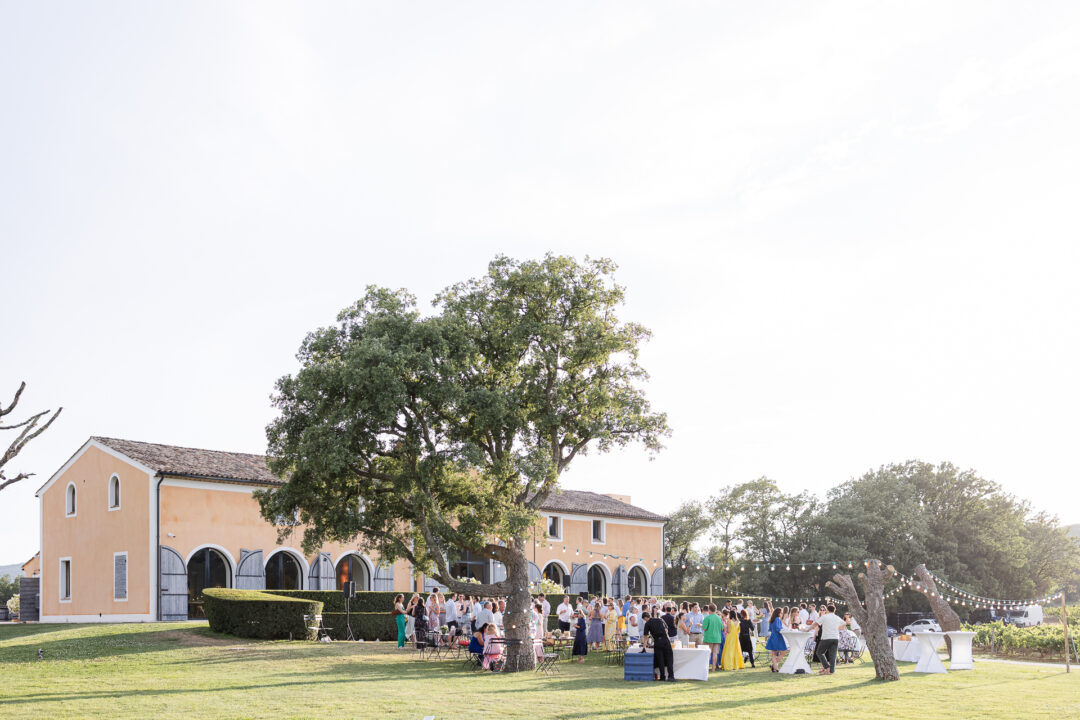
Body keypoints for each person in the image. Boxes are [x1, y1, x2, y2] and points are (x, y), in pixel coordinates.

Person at [809, 604, 844, 675]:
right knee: (833, 655)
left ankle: (827, 667)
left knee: (819, 652)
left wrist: (807, 630)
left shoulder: (825, 617)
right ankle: (831, 671)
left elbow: (815, 624)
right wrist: (838, 629)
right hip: (835, 638)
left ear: (827, 610)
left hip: (826, 637)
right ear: (835, 610)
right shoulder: (837, 617)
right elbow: (844, 624)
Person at [642, 611, 675, 681]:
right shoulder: (660, 620)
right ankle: (671, 676)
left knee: (660, 660)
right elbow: (666, 630)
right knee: (669, 659)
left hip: (657, 641)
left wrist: (644, 647)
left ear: (645, 618)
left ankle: (662, 677)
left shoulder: (647, 624)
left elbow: (646, 636)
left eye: (644, 619)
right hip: (665, 640)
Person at [765, 606, 788, 672]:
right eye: (781, 613)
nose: (782, 614)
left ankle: (774, 666)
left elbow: (770, 629)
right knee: (783, 653)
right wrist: (784, 630)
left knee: (774, 654)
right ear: (778, 613)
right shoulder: (777, 619)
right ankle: (776, 668)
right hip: (778, 637)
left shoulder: (771, 619)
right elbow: (778, 629)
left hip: (772, 637)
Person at [702, 604, 724, 671]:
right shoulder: (719, 618)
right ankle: (713, 668)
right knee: (715, 653)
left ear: (709, 610)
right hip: (717, 638)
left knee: (707, 653)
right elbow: (721, 628)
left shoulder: (707, 618)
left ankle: (705, 667)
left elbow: (704, 628)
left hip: (708, 638)